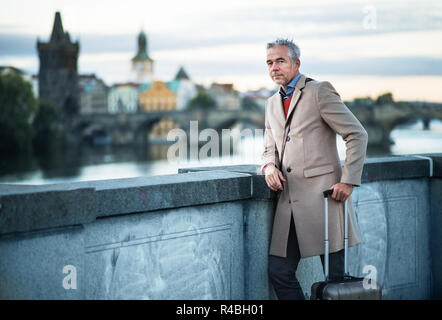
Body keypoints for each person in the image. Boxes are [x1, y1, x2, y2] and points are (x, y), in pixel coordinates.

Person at [261, 38, 368, 300]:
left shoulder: (319, 91)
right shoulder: (271, 103)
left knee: (335, 283)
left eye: (280, 61)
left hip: (325, 201)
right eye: (269, 62)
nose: (274, 67)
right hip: (288, 205)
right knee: (279, 272)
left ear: (297, 63)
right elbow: (268, 146)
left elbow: (357, 134)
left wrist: (348, 180)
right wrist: (267, 167)